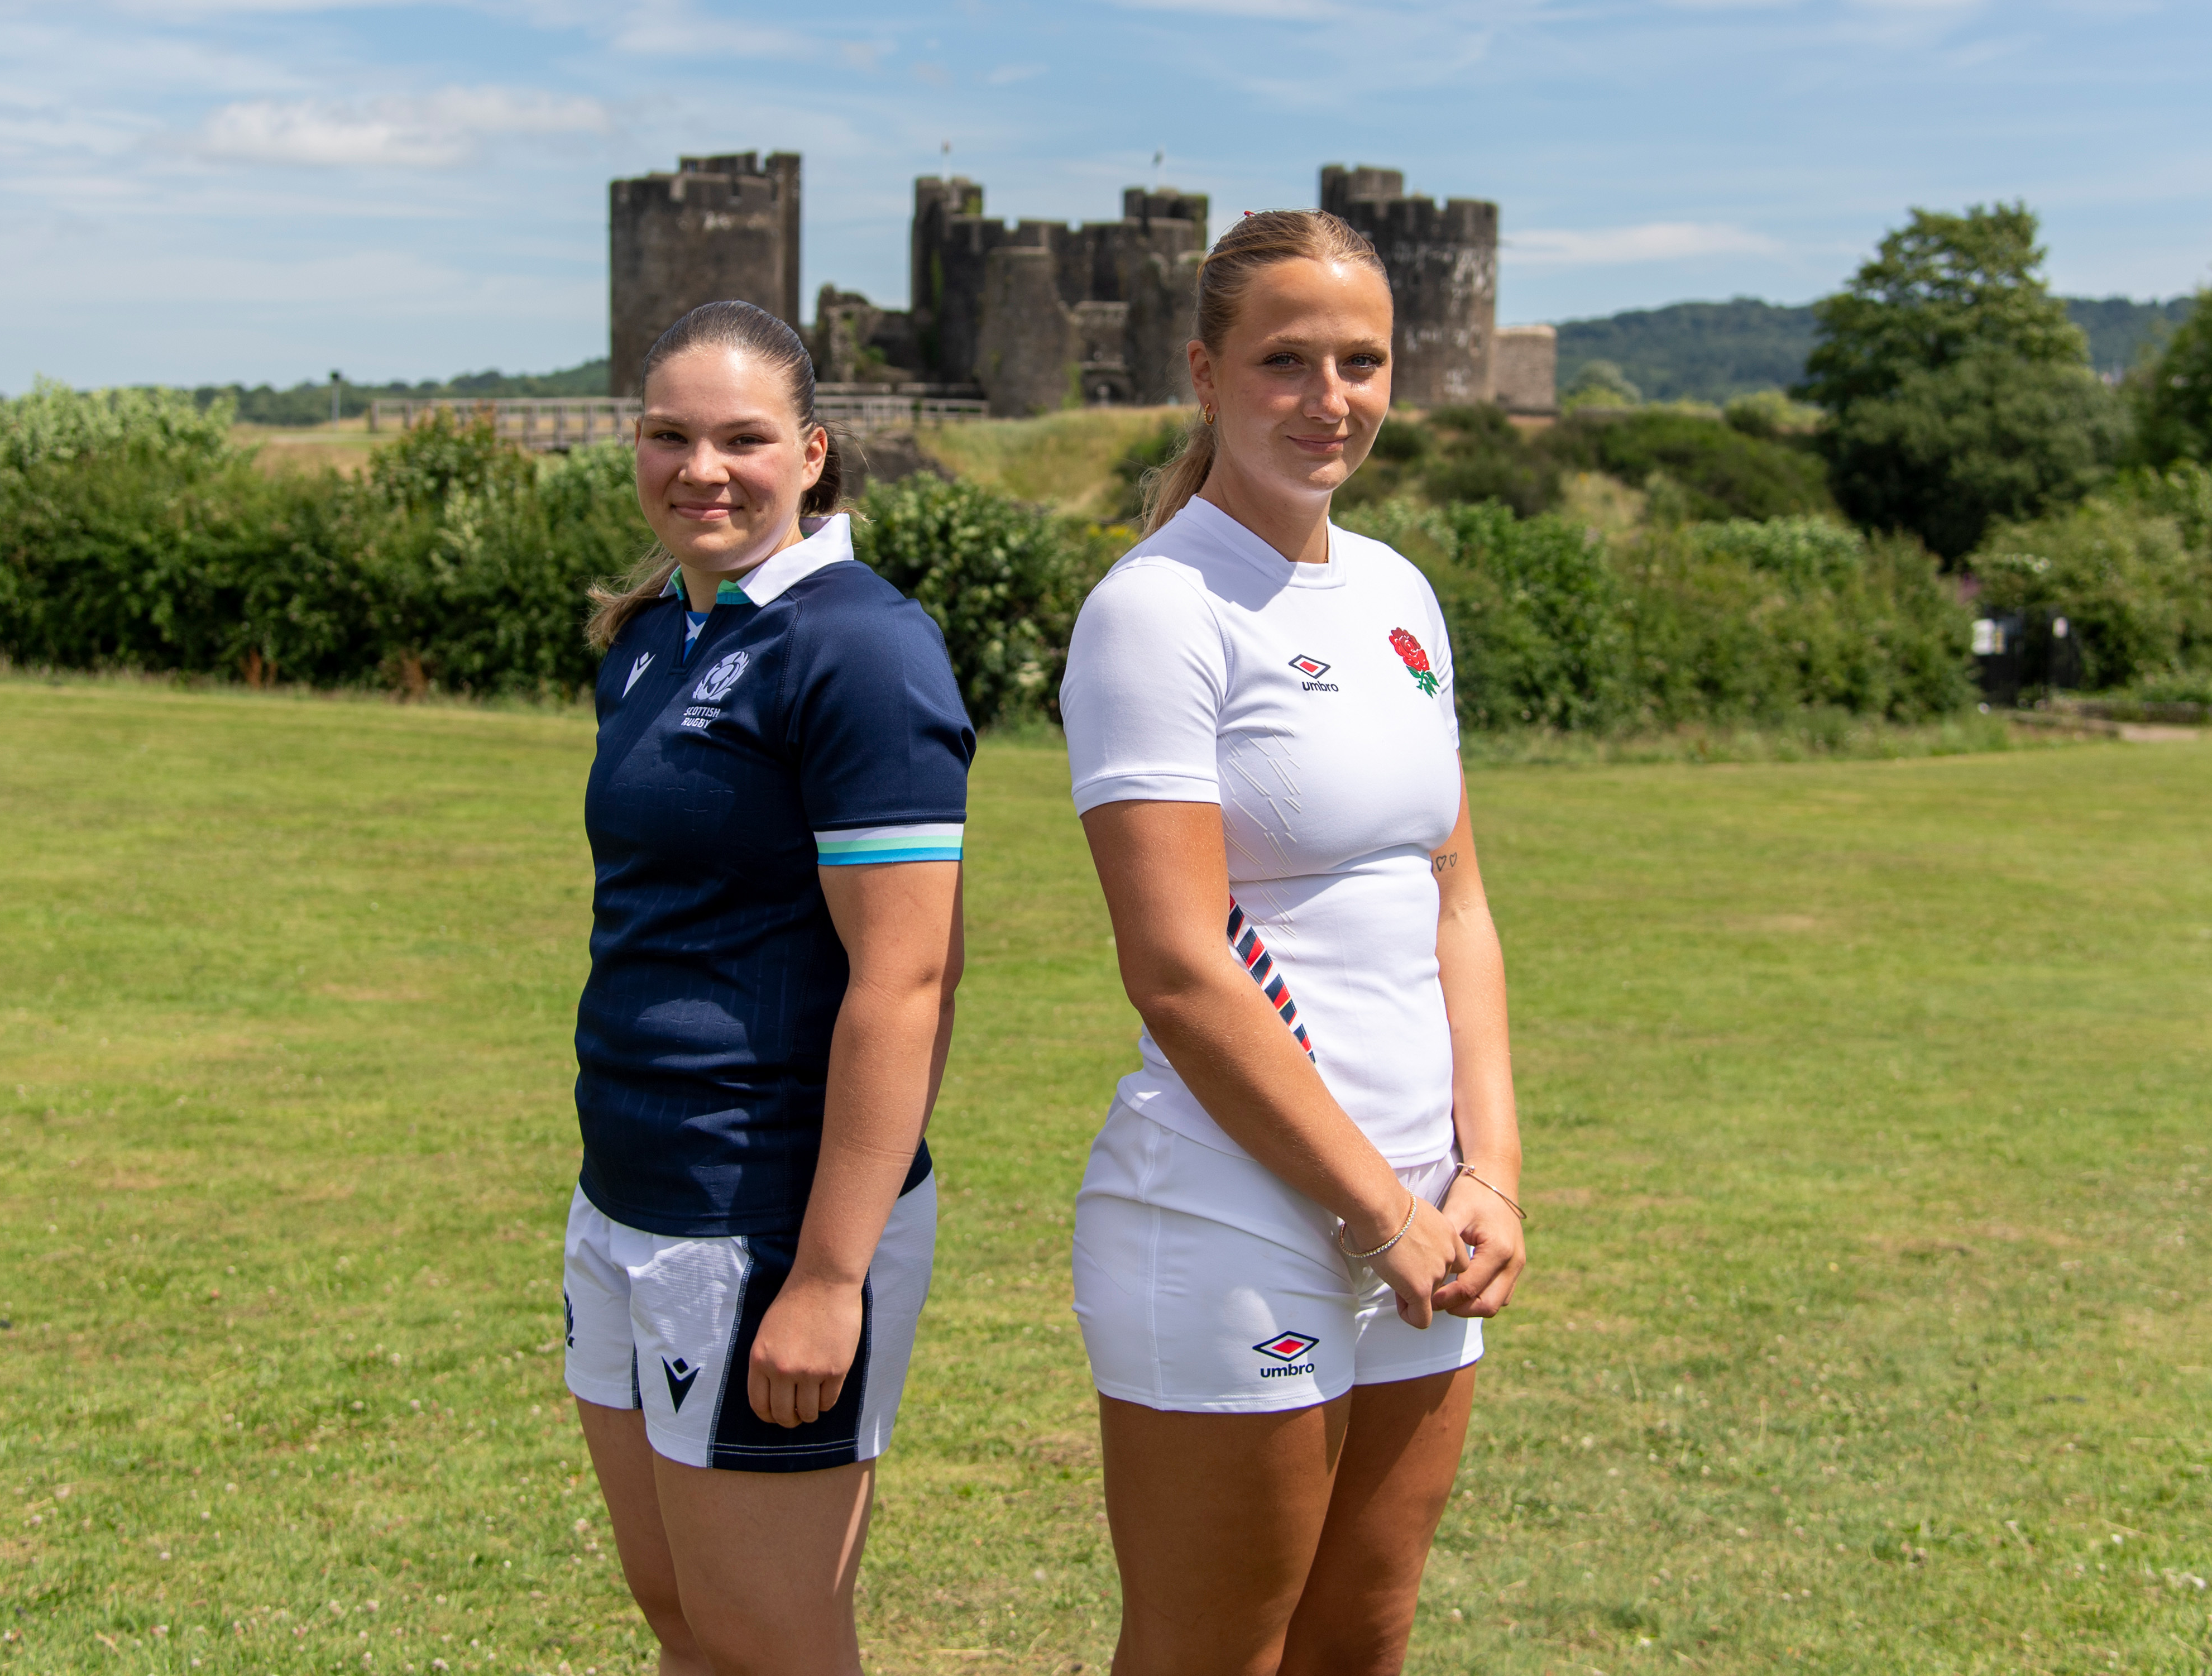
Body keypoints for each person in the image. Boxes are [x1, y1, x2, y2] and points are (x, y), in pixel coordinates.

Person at [1058, 212, 1530, 1676]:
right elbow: (1176, 968)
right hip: (1235, 1210)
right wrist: (1376, 1214)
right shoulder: (1156, 611)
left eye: (1361, 362)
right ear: (1205, 374)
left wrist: (1488, 1174)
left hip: (1424, 1202)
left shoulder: (1398, 595)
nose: (1329, 399)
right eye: (1285, 362)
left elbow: (1456, 901)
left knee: (1361, 1639)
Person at [563, 300, 974, 1676]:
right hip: (628, 1191)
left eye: (741, 439)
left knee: (770, 1641)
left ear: (809, 453)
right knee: (685, 1618)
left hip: (761, 1215)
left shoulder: (859, 646)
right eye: (667, 436)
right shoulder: (651, 635)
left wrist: (827, 1275)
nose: (702, 469)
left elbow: (909, 976)